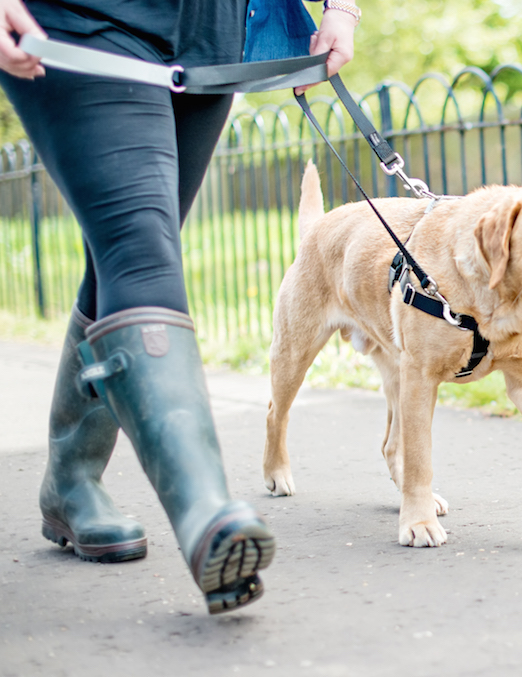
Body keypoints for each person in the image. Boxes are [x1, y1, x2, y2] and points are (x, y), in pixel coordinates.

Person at [0, 0, 357, 614]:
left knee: (124, 254)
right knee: (138, 251)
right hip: (77, 21)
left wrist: (340, 6)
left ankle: (71, 480)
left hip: (206, 32)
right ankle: (207, 516)